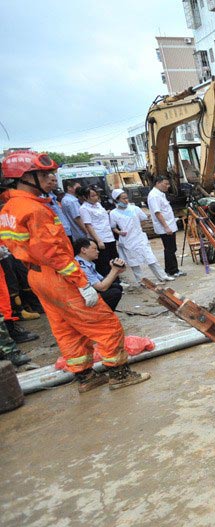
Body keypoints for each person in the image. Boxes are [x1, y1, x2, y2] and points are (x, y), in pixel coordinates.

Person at [0, 150, 149, 391]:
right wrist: (81, 283)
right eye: (45, 173)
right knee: (106, 324)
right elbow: (54, 254)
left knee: (66, 329)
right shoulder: (35, 210)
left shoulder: (11, 207)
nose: (52, 178)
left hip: (36, 276)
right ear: (25, 177)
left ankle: (86, 377)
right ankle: (119, 375)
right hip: (58, 276)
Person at [109, 189, 173, 285]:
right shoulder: (113, 213)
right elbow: (113, 227)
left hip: (139, 237)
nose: (126, 200)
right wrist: (119, 232)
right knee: (134, 262)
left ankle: (162, 276)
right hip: (127, 240)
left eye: (126, 198)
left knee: (150, 258)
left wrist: (136, 227)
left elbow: (143, 218)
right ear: (117, 200)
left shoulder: (134, 208)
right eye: (123, 199)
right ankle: (141, 281)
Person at [147, 176, 185, 278]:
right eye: (166, 184)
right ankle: (173, 270)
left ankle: (169, 269)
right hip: (165, 227)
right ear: (158, 183)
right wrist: (166, 227)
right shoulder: (154, 196)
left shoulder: (160, 194)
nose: (168, 186)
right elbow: (157, 213)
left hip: (169, 225)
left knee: (171, 248)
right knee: (170, 249)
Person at [74, 237, 125, 311]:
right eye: (94, 249)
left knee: (116, 286)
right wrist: (114, 270)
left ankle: (105, 314)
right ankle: (100, 315)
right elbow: (102, 287)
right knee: (114, 293)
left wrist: (116, 271)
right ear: (83, 250)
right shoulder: (81, 266)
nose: (98, 252)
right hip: (80, 298)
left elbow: (102, 281)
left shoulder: (88, 263)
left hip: (86, 292)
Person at [78, 187, 117, 277]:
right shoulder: (84, 208)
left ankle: (116, 279)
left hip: (109, 235)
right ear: (85, 197)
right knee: (104, 261)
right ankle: (108, 281)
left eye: (96, 195)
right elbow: (88, 225)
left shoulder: (98, 205)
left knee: (114, 259)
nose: (96, 197)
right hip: (99, 237)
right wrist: (98, 240)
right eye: (92, 196)